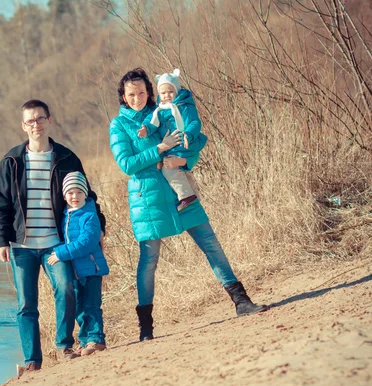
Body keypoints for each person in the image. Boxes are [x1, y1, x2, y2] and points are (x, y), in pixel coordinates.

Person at [109, 68, 267, 342]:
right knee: (149, 262)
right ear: (123, 96)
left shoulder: (167, 109)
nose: (137, 98)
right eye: (131, 94)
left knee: (211, 244)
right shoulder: (119, 125)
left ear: (150, 91)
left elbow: (192, 142)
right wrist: (158, 149)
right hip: (148, 201)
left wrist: (183, 161)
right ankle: (146, 329)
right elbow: (126, 164)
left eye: (142, 92)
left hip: (182, 193)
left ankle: (242, 302)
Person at [0, 99, 106, 374]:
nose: (36, 125)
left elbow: (87, 195)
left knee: (65, 289)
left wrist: (99, 225)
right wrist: (1, 241)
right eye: (30, 121)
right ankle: (32, 361)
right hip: (21, 246)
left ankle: (64, 346)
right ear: (23, 126)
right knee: (26, 305)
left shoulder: (67, 158)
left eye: (40, 119)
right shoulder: (11, 161)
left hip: (56, 244)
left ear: (49, 121)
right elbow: (0, 204)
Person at [47, 171, 109, 356]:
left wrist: (61, 253)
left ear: (85, 193)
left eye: (79, 192)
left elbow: (87, 241)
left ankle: (96, 339)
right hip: (75, 271)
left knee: (92, 305)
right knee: (80, 309)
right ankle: (84, 342)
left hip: (91, 269)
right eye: (70, 193)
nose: (75, 197)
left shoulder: (89, 215)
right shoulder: (66, 214)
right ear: (64, 195)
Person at [137, 68, 208, 211]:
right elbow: (152, 121)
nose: (167, 96)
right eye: (163, 93)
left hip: (184, 145)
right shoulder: (161, 110)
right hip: (171, 147)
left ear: (177, 90)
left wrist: (188, 134)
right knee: (165, 167)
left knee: (168, 169)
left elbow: (194, 122)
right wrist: (146, 128)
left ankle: (187, 196)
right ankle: (188, 198)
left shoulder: (184, 107)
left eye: (170, 91)